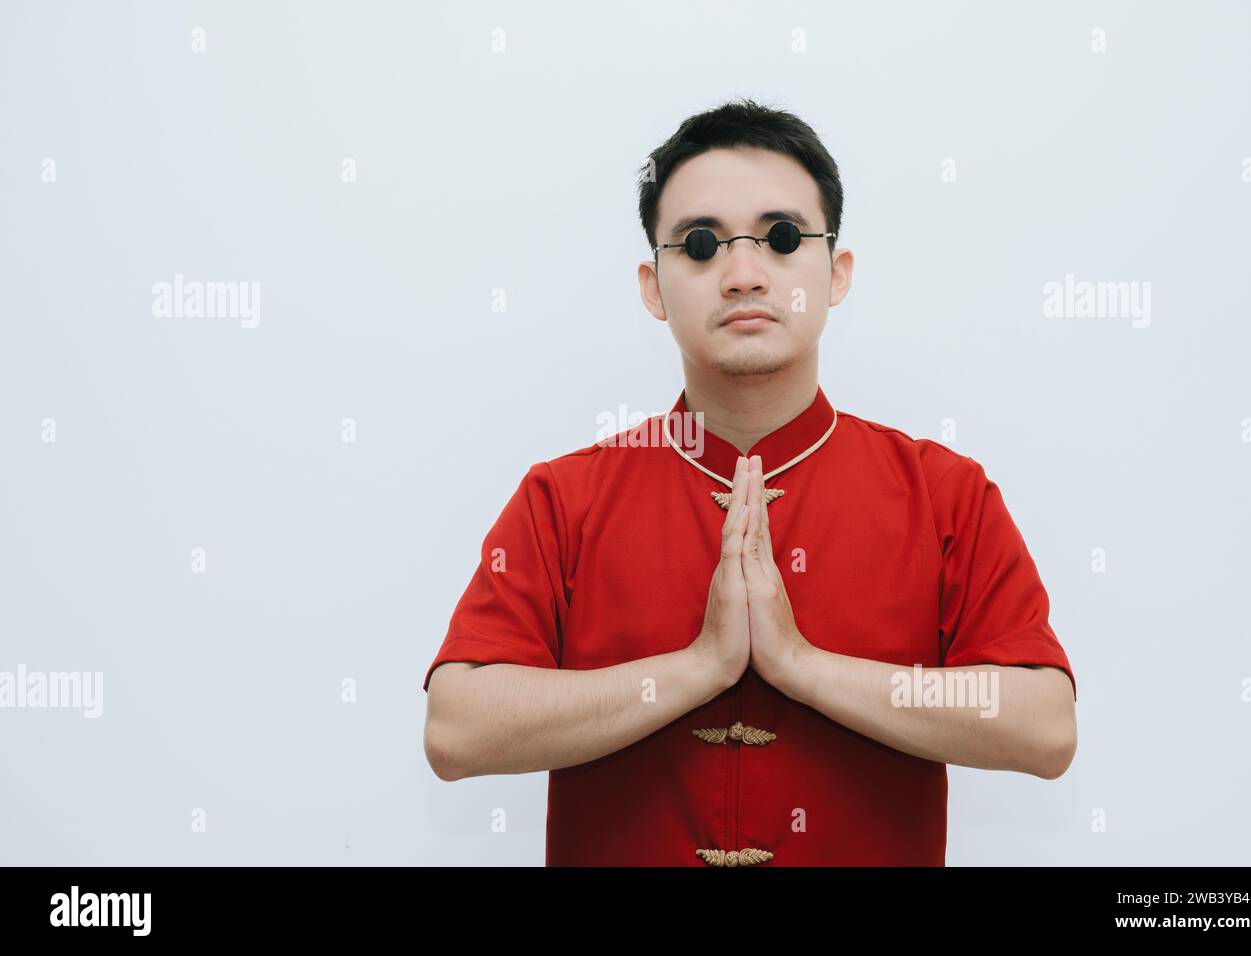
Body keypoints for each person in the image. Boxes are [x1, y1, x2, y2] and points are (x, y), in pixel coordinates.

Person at [421, 98, 1077, 866]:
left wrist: (803, 667)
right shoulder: (566, 499)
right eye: (700, 244)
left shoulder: (942, 493)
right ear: (653, 286)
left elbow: (1043, 725)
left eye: (782, 237)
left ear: (836, 274)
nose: (740, 274)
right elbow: (456, 730)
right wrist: (698, 667)